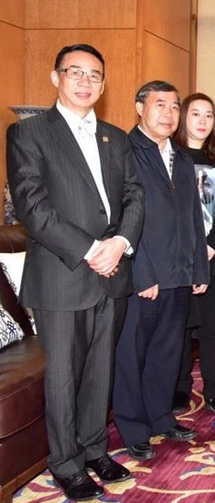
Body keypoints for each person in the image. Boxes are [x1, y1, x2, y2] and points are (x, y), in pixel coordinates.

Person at [6, 44, 144, 501]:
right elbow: (32, 206)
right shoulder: (28, 133)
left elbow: (134, 195)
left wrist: (120, 243)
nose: (86, 82)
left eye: (94, 75)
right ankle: (65, 462)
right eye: (75, 72)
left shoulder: (115, 137)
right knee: (64, 377)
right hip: (63, 274)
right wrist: (91, 249)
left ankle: (94, 449)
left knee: (101, 371)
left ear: (104, 83)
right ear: (56, 77)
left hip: (113, 271)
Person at [114, 80, 210, 461]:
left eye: (174, 107)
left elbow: (193, 217)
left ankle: (160, 417)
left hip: (179, 273)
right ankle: (133, 427)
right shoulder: (124, 151)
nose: (168, 114)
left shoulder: (182, 158)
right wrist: (142, 273)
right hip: (144, 276)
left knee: (167, 353)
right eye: (159, 105)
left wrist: (198, 267)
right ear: (140, 108)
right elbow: (120, 218)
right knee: (132, 354)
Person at [172, 93, 215, 417]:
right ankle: (180, 387)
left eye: (209, 115)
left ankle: (214, 389)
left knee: (213, 326)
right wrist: (190, 250)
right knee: (181, 327)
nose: (202, 121)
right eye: (196, 114)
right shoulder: (170, 155)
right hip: (179, 257)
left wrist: (211, 244)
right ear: (183, 116)